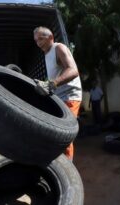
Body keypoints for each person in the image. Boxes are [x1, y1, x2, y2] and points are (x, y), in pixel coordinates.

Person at [33, 26, 82, 161]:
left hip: (70, 96)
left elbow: (73, 71)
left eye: (41, 39)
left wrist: (52, 84)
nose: (38, 43)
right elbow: (56, 75)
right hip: (59, 96)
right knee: (54, 132)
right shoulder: (46, 54)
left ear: (50, 37)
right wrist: (45, 83)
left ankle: (67, 171)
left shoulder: (59, 48)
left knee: (64, 135)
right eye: (36, 40)